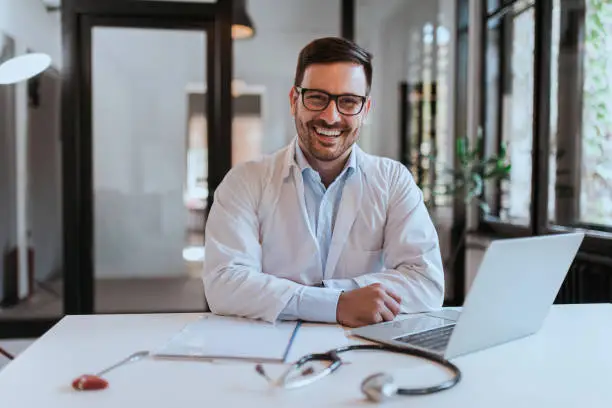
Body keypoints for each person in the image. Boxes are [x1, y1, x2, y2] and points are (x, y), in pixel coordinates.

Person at [202, 37, 444, 328]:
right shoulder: (245, 181)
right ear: (295, 101)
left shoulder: (392, 181)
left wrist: (315, 296)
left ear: (365, 110)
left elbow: (426, 282)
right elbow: (223, 284)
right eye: (317, 97)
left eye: (348, 102)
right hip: (269, 349)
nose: (331, 117)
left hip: (364, 351)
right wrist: (339, 304)